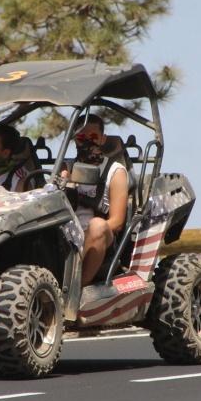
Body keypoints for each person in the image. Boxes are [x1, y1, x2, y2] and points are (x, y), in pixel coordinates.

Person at [67, 114, 128, 285]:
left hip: (99, 240)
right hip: (67, 234)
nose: (87, 142)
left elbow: (117, 222)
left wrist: (87, 235)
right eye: (81, 137)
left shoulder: (115, 172)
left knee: (98, 225)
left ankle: (78, 288)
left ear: (102, 139)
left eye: (93, 137)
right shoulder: (66, 168)